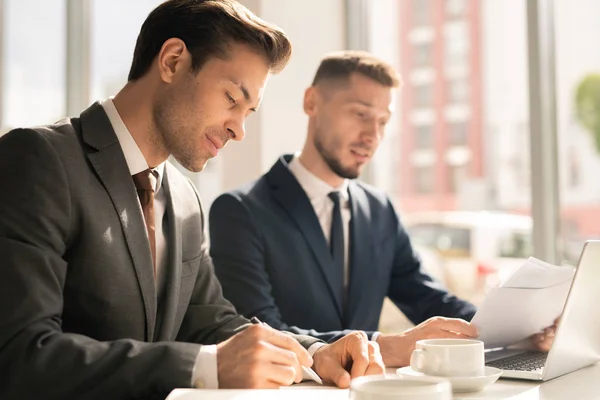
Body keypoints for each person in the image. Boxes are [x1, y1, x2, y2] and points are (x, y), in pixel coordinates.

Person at [0, 3, 384, 399]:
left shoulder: (184, 200)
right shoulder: (39, 160)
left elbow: (212, 322)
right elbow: (20, 354)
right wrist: (203, 367)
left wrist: (312, 355)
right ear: (172, 61)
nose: (239, 130)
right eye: (233, 99)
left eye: (249, 112)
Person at [209, 51, 557, 368]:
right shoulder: (240, 211)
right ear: (312, 101)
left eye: (383, 122)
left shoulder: (379, 210)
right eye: (360, 114)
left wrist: (515, 329)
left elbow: (426, 297)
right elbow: (257, 329)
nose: (372, 135)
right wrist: (384, 346)